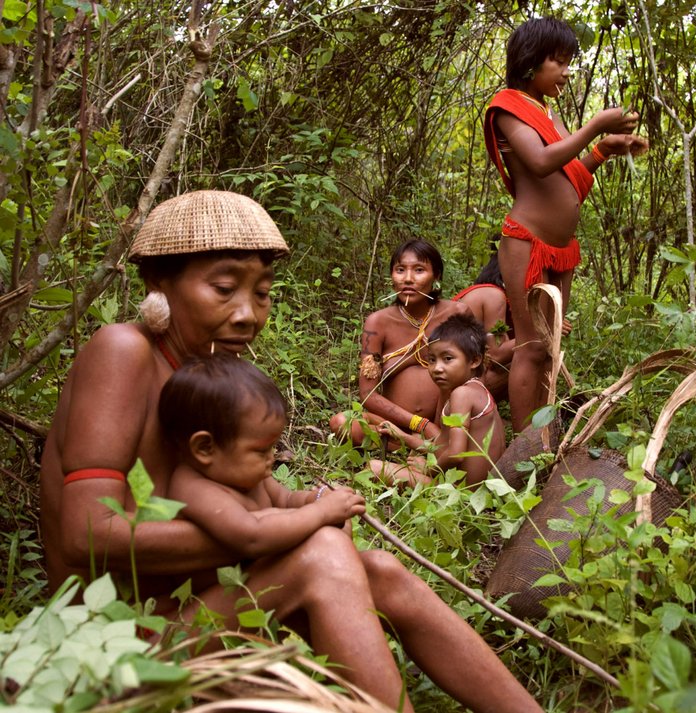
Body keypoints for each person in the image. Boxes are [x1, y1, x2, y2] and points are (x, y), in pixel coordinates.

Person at [38, 190, 541, 713]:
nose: (247, 314)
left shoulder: (209, 378)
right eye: (224, 289)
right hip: (114, 642)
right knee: (319, 556)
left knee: (382, 571)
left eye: (261, 293)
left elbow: (262, 495)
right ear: (158, 283)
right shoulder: (123, 351)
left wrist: (311, 503)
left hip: (195, 605)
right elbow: (87, 535)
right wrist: (279, 531)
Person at [484, 17, 649, 431]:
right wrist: (595, 125)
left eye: (568, 62)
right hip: (527, 242)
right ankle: (525, 448)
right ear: (530, 62)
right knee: (531, 347)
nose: (566, 71)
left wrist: (603, 150)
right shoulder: (507, 106)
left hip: (561, 250)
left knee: (549, 348)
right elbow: (541, 163)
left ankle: (543, 440)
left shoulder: (546, 111)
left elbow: (567, 180)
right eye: (558, 62)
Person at [162, 354, 365, 558]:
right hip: (239, 578)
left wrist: (319, 497)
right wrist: (322, 512)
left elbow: (287, 499)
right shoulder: (194, 488)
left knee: (379, 562)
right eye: (261, 450)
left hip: (271, 569)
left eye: (272, 448)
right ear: (205, 448)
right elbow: (252, 536)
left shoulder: (252, 478)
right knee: (331, 543)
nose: (271, 457)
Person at [329, 239, 472, 447]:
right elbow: (368, 394)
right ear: (391, 277)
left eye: (419, 270)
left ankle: (430, 448)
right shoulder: (378, 322)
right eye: (400, 270)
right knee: (342, 422)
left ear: (437, 275)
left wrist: (443, 420)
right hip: (394, 426)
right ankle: (413, 446)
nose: (408, 279)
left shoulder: (457, 313)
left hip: (448, 423)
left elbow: (475, 375)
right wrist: (420, 424)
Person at [369, 313, 506, 488]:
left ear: (474, 360)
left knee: (373, 468)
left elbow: (456, 453)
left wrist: (428, 470)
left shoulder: (462, 394)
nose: (437, 368)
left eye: (448, 359)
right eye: (432, 360)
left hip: (462, 492)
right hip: (482, 488)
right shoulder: (478, 390)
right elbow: (442, 446)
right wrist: (402, 436)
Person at [452, 252, 515, 401]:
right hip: (455, 384)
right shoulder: (493, 294)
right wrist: (543, 332)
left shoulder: (486, 292)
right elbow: (496, 356)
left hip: (457, 377)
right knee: (534, 357)